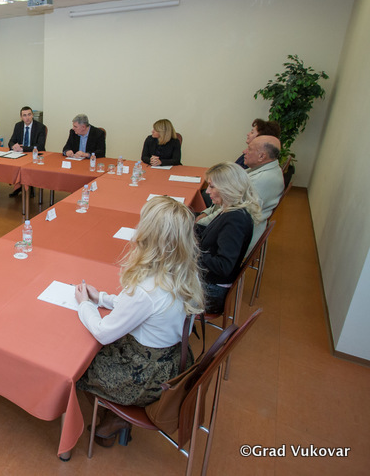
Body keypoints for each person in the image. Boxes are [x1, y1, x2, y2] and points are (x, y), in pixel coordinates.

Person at [73, 196, 204, 447]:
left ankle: (115, 416)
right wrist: (101, 297)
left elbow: (103, 332)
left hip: (144, 376)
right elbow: (140, 308)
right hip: (172, 363)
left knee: (80, 367)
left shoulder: (146, 288)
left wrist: (85, 304)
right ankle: (113, 417)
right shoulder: (184, 272)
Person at [195, 162, 261, 315]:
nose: (207, 191)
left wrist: (191, 252)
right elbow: (212, 233)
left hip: (211, 291)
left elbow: (223, 266)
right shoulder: (232, 209)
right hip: (210, 282)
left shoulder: (235, 220)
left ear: (228, 188)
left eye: (212, 186)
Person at [241, 135, 284, 250]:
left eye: (249, 149)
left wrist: (203, 218)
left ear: (261, 156)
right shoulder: (268, 169)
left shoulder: (261, 180)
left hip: (238, 238)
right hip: (242, 228)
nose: (244, 151)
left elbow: (233, 212)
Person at [8, 106, 46, 197]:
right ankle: (18, 186)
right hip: (20, 154)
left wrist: (23, 149)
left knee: (28, 166)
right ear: (21, 117)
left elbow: (40, 146)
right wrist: (13, 146)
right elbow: (11, 141)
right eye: (24, 115)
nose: (27, 117)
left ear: (32, 115)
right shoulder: (18, 126)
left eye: (29, 115)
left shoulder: (40, 127)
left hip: (34, 154)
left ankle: (30, 187)